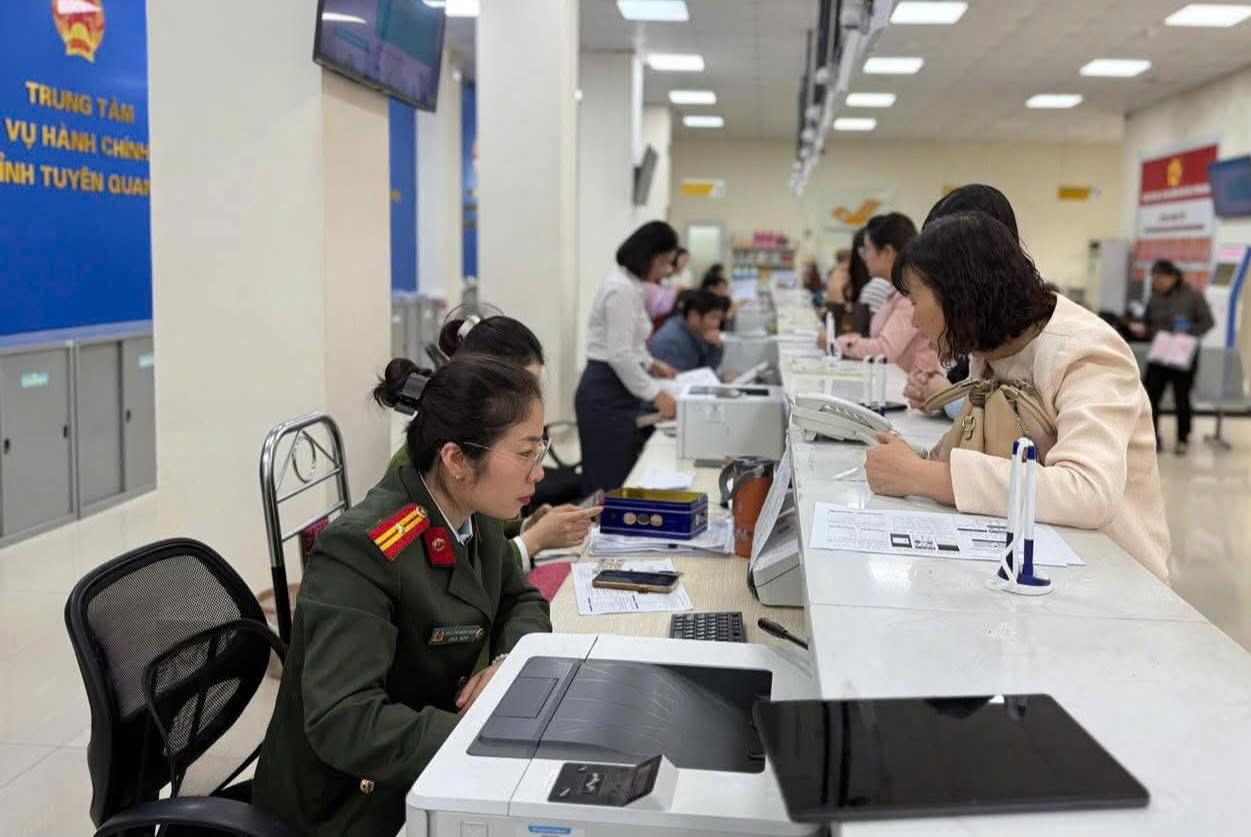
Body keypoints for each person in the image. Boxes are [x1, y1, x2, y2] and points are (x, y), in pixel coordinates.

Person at [254, 354, 553, 836]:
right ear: (456, 459)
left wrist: (506, 664)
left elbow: (522, 601)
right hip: (349, 805)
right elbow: (343, 720)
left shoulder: (474, 512)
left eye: (541, 449)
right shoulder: (361, 549)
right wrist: (481, 737)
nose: (538, 472)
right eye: (525, 453)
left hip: (422, 767)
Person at [864, 212, 1171, 582]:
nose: (913, 321)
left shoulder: (1086, 353)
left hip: (1117, 578)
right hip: (1041, 558)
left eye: (915, 301)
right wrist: (910, 459)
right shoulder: (989, 350)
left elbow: (1088, 492)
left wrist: (921, 476)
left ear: (958, 296)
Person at [386, 314, 597, 563]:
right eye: (519, 387)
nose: (531, 401)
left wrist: (527, 527)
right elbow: (455, 572)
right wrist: (534, 540)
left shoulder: (478, 477)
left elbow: (485, 537)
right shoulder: (424, 469)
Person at [575, 221, 681, 492]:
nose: (665, 271)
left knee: (621, 474)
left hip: (618, 389)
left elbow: (631, 342)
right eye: (664, 262)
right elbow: (619, 354)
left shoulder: (633, 285)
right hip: (605, 393)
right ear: (648, 255)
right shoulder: (620, 289)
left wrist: (651, 364)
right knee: (608, 483)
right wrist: (657, 395)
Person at [903, 184, 1023, 417]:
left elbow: (1014, 419)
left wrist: (946, 397)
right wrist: (938, 394)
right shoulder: (980, 334)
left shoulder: (1037, 341)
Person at [829, 213, 941, 376]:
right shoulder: (894, 293)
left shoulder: (908, 295)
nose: (864, 257)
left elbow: (885, 350)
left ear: (887, 252)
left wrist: (839, 343)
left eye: (867, 249)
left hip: (914, 385)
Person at [1134, 259, 1214, 454]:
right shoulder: (1154, 298)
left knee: (1182, 399)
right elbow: (1148, 324)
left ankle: (1182, 439)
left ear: (1173, 277)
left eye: (1160, 279)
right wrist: (1144, 330)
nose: (1157, 283)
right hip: (1159, 356)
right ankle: (1153, 438)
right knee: (1150, 398)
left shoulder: (1193, 297)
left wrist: (1188, 334)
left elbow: (1207, 322)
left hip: (1182, 357)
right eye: (1154, 280)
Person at [648, 289, 726, 372]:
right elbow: (679, 377)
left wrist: (715, 346)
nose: (717, 324)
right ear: (693, 315)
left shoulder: (696, 332)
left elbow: (706, 370)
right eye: (713, 318)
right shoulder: (672, 342)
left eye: (719, 318)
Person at [644, 247, 691, 324]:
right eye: (682, 259)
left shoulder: (687, 273)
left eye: (686, 260)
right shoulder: (666, 270)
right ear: (675, 258)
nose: (684, 262)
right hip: (661, 304)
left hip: (678, 302)